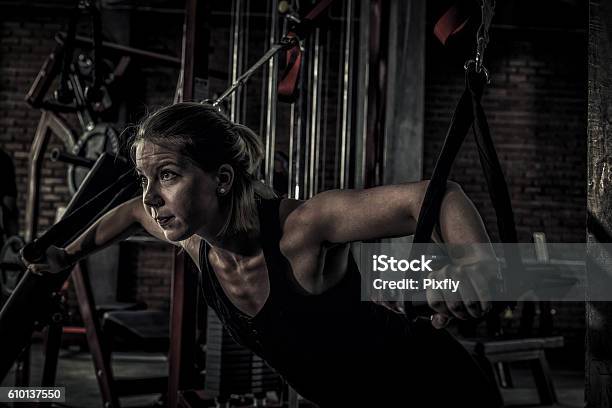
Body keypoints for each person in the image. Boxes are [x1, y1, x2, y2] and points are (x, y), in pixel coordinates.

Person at [23, 102, 502, 407]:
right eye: (146, 179)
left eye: (167, 176)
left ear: (223, 180)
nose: (152, 197)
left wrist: (473, 264)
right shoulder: (195, 242)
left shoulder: (301, 231)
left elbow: (435, 196)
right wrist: (67, 255)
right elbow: (128, 213)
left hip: (438, 389)